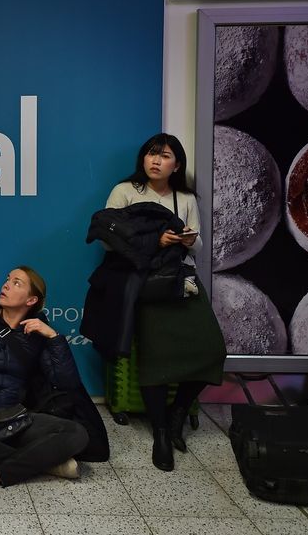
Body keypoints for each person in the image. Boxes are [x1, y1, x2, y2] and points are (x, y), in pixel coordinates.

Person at [93, 133, 225, 471]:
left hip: (182, 281)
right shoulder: (125, 192)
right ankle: (162, 433)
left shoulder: (186, 198)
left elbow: (197, 248)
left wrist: (184, 239)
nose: (156, 161)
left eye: (164, 156)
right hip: (145, 284)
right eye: (151, 154)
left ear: (176, 164)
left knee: (213, 350)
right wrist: (157, 240)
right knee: (154, 357)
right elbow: (109, 242)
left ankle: (178, 411)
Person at [0, 266, 90, 492]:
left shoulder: (37, 331)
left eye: (17, 283)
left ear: (31, 300)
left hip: (15, 419)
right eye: (8, 279)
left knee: (76, 434)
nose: (6, 285)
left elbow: (66, 382)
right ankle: (46, 464)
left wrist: (54, 337)